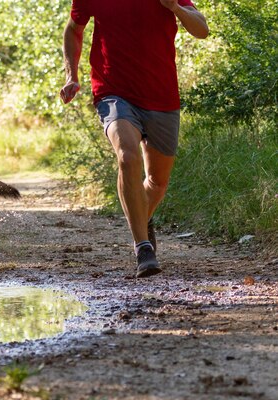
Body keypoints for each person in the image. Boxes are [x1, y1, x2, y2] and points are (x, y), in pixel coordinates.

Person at [60, 0, 209, 277]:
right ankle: (143, 248)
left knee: (157, 181)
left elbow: (202, 30)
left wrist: (175, 8)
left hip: (162, 96)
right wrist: (72, 75)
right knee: (127, 156)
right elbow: (73, 30)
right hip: (113, 91)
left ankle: (143, 217)